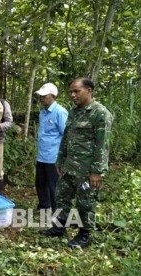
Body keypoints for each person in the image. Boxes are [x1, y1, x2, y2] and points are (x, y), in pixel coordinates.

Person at [42, 77, 113, 249]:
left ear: (89, 90)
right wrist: (60, 160)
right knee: (61, 197)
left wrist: (97, 171)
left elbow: (103, 145)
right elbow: (66, 138)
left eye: (76, 91)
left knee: (85, 203)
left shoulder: (100, 113)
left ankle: (85, 234)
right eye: (71, 92)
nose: (73, 95)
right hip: (69, 167)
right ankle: (59, 227)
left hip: (86, 170)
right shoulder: (74, 112)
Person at [34, 83, 68, 210]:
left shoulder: (60, 112)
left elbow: (66, 135)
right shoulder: (43, 112)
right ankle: (44, 205)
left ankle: (56, 210)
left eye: (44, 96)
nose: (41, 98)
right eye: (40, 96)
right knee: (40, 182)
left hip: (53, 156)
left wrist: (63, 156)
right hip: (42, 155)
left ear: (53, 96)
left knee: (53, 185)